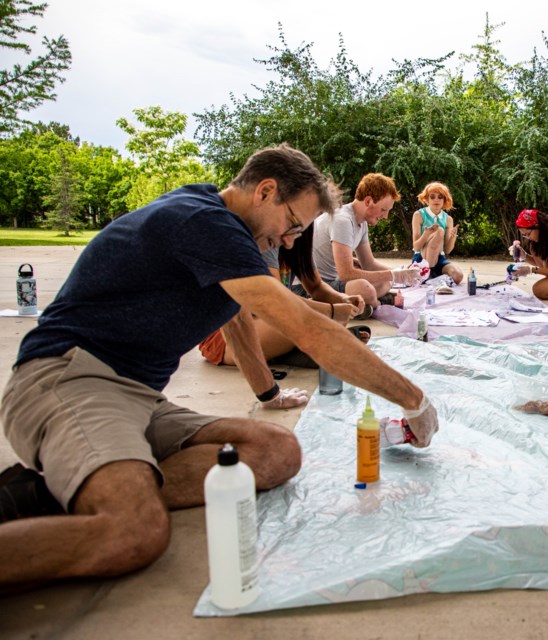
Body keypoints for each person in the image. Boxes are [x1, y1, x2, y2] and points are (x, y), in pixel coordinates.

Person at [0, 144, 439, 589]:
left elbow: (236, 323)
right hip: (69, 379)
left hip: (138, 397)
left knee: (275, 453)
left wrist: (268, 393)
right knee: (133, 531)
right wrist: (412, 398)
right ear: (265, 191)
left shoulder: (227, 236)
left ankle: (73, 491)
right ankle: (90, 495)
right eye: (291, 225)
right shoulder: (204, 221)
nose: (290, 241)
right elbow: (307, 328)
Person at [198, 225, 370, 377]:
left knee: (312, 317)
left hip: (263, 323)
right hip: (228, 335)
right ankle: (308, 347)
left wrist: (343, 299)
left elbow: (316, 286)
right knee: (303, 318)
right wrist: (331, 311)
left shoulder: (299, 235)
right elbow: (275, 299)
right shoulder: (265, 235)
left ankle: (296, 351)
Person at [312, 173, 420, 309]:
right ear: (368, 201)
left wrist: (402, 273)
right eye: (383, 209)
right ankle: (377, 304)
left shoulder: (361, 223)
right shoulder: (343, 220)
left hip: (333, 282)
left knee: (384, 280)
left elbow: (369, 263)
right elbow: (346, 274)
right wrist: (394, 275)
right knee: (365, 288)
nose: (385, 216)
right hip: (314, 286)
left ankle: (366, 304)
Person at [411, 181, 463, 284]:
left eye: (440, 197)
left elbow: (447, 250)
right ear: (426, 199)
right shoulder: (419, 215)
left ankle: (430, 277)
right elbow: (416, 247)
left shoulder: (448, 219)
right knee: (439, 231)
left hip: (440, 258)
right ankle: (428, 273)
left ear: (445, 200)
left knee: (458, 276)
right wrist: (426, 234)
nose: (436, 200)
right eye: (432, 197)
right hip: (422, 258)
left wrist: (453, 237)